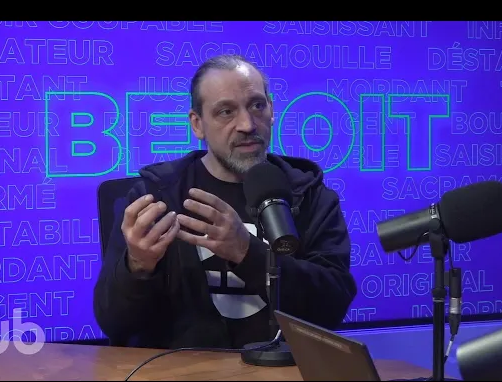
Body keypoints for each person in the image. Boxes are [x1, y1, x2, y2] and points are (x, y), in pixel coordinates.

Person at [93, 54, 357, 349]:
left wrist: (247, 252)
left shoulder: (309, 195)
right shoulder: (157, 198)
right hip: (181, 369)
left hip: (282, 369)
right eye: (225, 111)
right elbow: (114, 323)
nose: (247, 124)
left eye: (257, 105)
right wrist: (138, 266)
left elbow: (331, 311)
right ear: (198, 124)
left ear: (272, 110)